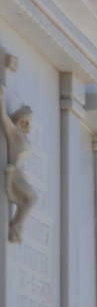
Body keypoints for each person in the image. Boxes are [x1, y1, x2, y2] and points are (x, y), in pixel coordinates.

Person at [0, 83, 36, 242]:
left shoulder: (25, 139)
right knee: (32, 199)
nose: (27, 125)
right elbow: (4, 118)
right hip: (14, 173)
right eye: (25, 121)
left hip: (20, 173)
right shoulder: (14, 133)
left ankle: (16, 226)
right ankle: (16, 226)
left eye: (29, 122)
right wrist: (1, 98)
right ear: (19, 121)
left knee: (30, 200)